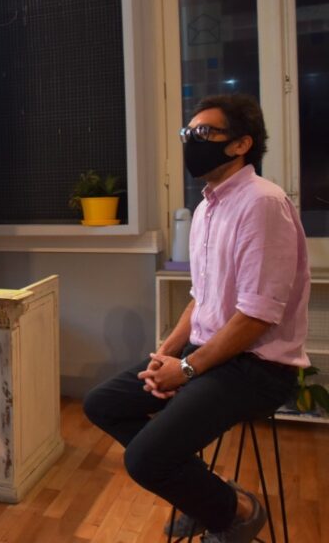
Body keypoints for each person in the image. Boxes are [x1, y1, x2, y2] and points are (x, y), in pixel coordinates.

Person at [83, 94, 310, 543]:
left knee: (144, 460)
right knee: (102, 404)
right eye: (188, 132)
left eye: (204, 132)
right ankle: (207, 497)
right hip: (208, 354)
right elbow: (201, 298)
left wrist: (185, 369)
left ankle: (238, 513)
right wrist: (164, 354)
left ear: (241, 144)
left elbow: (256, 317)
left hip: (257, 368)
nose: (191, 140)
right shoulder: (207, 208)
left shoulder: (263, 203)